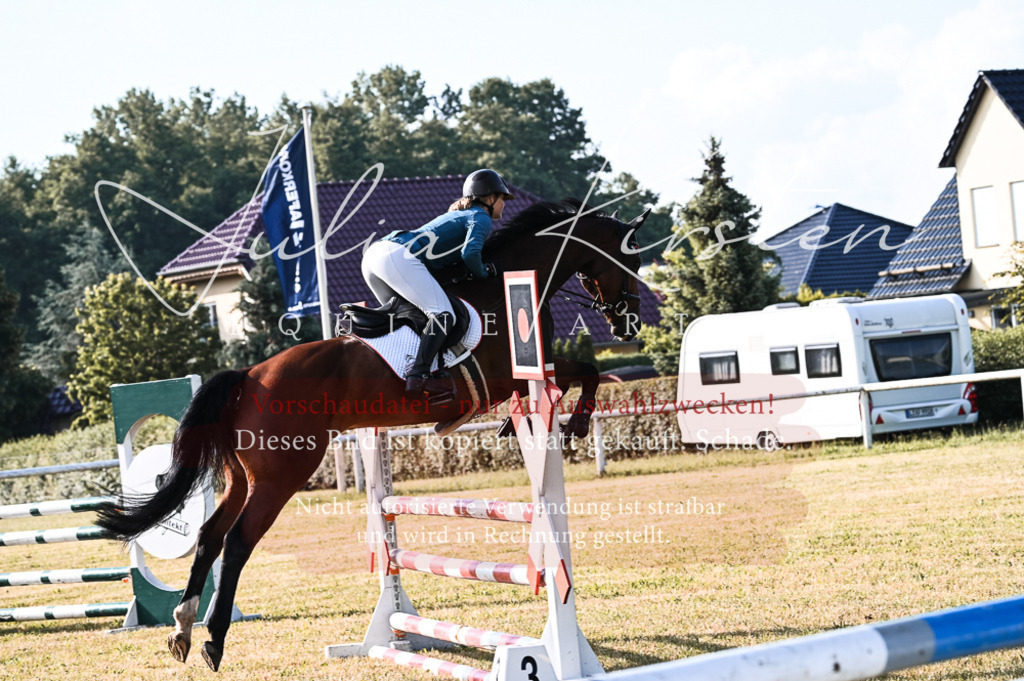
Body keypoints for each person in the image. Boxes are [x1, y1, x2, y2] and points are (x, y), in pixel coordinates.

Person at [361, 169, 513, 401]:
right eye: (503, 199)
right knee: (443, 315)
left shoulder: (460, 215)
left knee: (409, 319)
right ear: (490, 198)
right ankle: (419, 377)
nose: (504, 204)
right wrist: (484, 271)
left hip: (374, 256)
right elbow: (470, 253)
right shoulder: (480, 217)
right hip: (396, 256)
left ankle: (402, 368)